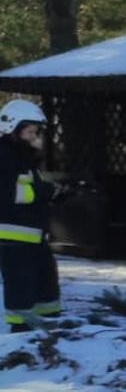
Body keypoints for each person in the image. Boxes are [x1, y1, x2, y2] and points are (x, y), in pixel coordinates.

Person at [0, 100, 60, 332]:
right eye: (30, 132)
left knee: (46, 281)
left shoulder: (24, 157)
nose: (34, 137)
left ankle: (50, 325)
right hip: (12, 236)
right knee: (20, 285)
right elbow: (7, 193)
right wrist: (44, 192)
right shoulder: (4, 155)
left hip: (32, 235)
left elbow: (31, 186)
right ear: (12, 128)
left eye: (36, 132)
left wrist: (55, 191)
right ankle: (22, 332)